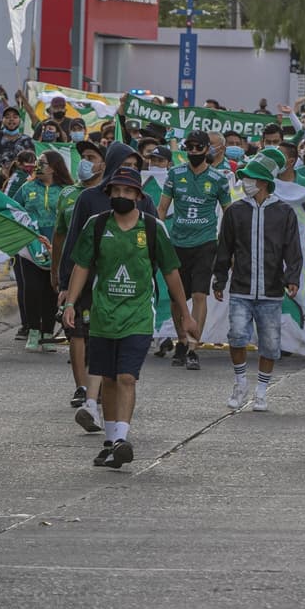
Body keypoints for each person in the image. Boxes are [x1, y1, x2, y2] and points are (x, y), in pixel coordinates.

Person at [64, 165, 199, 468]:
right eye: (116, 190)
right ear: (109, 192)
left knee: (126, 376)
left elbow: (171, 271)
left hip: (138, 315)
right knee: (109, 379)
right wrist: (70, 303)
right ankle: (111, 442)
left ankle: (122, 438)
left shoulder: (152, 228)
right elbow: (82, 266)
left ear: (138, 195)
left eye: (128, 191)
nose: (121, 195)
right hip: (102, 315)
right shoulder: (96, 226)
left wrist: (186, 315)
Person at [59, 142, 155, 423]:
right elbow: (74, 243)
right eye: (125, 165)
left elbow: (156, 249)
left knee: (113, 351)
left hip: (127, 290)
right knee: (81, 335)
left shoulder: (145, 201)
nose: (129, 171)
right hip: (88, 282)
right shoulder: (88, 199)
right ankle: (86, 395)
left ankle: (103, 407)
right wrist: (66, 286)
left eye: (135, 167)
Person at [212, 152, 302, 413]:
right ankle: (240, 383)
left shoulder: (284, 212)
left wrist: (292, 279)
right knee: (237, 336)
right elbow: (224, 248)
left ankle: (262, 391)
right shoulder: (235, 212)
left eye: (249, 178)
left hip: (272, 291)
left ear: (263, 182)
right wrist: (220, 279)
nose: (244, 183)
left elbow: (292, 250)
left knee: (271, 344)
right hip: (241, 287)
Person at [158, 130, 232, 370]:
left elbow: (229, 213)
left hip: (205, 243)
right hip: (178, 243)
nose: (193, 152)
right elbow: (161, 209)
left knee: (200, 295)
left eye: (198, 148)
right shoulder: (174, 173)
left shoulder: (219, 179)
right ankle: (180, 340)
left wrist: (228, 245)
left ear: (206, 150)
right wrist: (158, 238)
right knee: (177, 298)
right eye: (189, 147)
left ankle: (192, 346)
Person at [54, 139, 106, 411]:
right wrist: (61, 279)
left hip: (105, 277)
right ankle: (82, 387)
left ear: (103, 163)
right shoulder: (71, 195)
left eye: (91, 156)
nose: (85, 161)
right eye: (82, 156)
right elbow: (65, 239)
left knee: (98, 333)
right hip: (77, 274)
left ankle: (99, 388)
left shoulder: (114, 194)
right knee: (76, 331)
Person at [12, 150, 72, 352]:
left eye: (42, 163)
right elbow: (12, 210)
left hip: (58, 249)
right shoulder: (26, 187)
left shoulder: (67, 190)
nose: (37, 166)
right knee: (32, 288)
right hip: (30, 248)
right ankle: (33, 331)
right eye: (37, 163)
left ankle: (47, 332)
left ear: (54, 167)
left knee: (51, 289)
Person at [0, 105, 35, 188]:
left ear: (20, 120)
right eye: (7, 117)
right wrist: (0, 171)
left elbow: (32, 164)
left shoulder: (27, 140)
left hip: (20, 186)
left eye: (15, 117)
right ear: (2, 120)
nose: (11, 119)